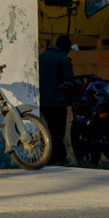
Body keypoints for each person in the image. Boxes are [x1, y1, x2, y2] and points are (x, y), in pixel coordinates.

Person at [39, 34, 74, 165]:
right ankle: (57, 157)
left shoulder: (41, 57)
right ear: (67, 47)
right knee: (58, 132)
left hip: (42, 101)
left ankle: (50, 156)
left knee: (47, 130)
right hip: (57, 102)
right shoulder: (63, 59)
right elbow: (69, 81)